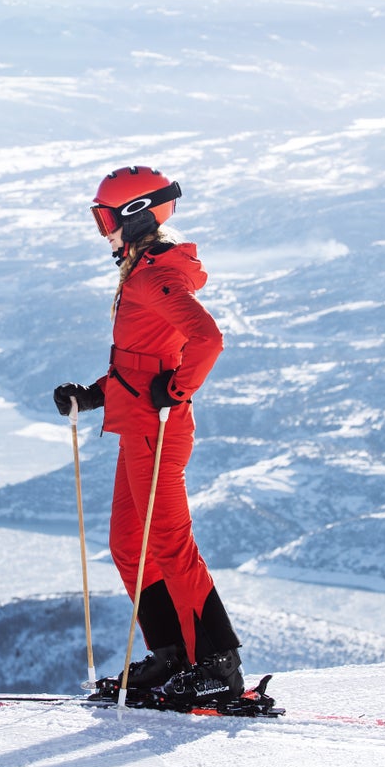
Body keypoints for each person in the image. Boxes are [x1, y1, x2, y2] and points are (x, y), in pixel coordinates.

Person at [53, 165, 244, 707]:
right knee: (128, 544)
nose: (103, 229)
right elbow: (141, 364)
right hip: (136, 424)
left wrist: (177, 390)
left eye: (105, 218)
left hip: (157, 430)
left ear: (135, 216)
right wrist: (93, 395)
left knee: (169, 545)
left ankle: (218, 664)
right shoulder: (141, 269)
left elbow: (208, 338)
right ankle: (173, 654)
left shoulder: (152, 274)